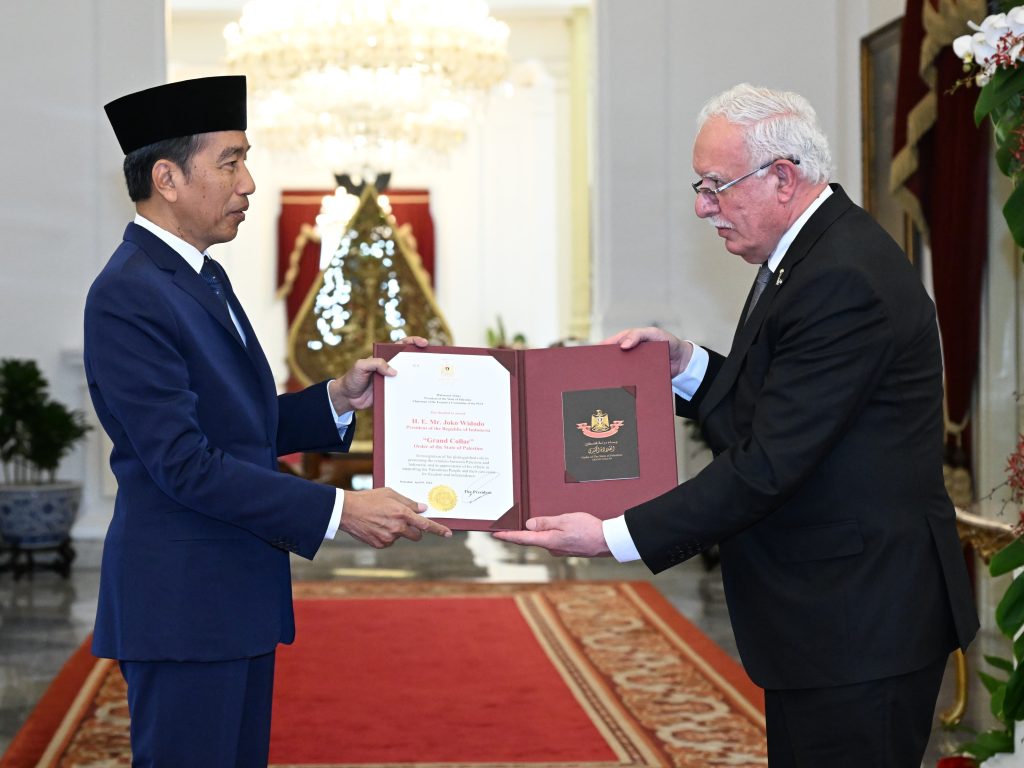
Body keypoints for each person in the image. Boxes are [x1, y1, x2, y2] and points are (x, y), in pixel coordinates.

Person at [495, 83, 978, 766]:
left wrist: (612, 534)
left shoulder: (841, 278)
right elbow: (776, 406)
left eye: (715, 187)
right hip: (835, 613)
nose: (702, 207)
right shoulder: (808, 256)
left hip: (859, 620)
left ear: (782, 177)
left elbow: (768, 463)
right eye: (701, 186)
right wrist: (683, 366)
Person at [85, 75, 452, 767]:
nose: (248, 183)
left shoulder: (199, 277)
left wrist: (340, 398)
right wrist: (341, 508)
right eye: (230, 162)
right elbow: (185, 464)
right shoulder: (129, 294)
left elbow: (238, 426)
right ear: (167, 177)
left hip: (231, 593)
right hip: (185, 602)